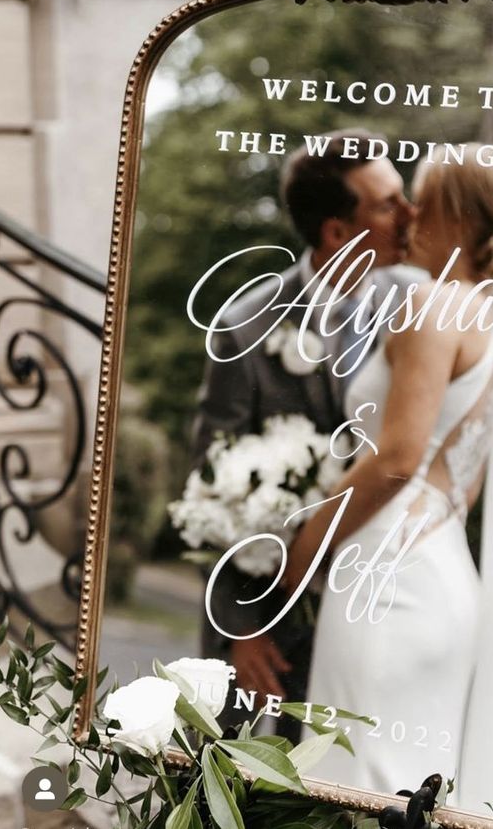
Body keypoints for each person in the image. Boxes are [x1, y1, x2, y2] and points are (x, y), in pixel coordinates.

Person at [283, 144, 493, 813]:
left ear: (455, 212)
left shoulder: (433, 306)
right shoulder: (489, 318)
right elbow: (465, 480)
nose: (411, 213)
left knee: (358, 785)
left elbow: (397, 460)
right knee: (412, 792)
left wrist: (302, 552)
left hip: (388, 579)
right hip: (444, 571)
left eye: (422, 197)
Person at [191, 129, 418, 736]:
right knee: (227, 783)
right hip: (271, 615)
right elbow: (210, 483)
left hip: (388, 598)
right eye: (389, 203)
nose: (411, 213)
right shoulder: (244, 328)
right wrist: (241, 631)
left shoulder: (423, 306)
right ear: (337, 232)